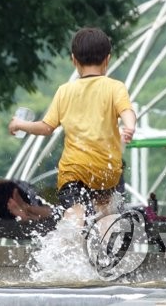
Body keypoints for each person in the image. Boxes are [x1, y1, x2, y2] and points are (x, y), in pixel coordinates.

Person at [9, 26, 136, 224]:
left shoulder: (64, 91)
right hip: (106, 168)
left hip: (73, 169)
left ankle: (67, 248)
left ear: (74, 60)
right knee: (106, 218)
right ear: (108, 59)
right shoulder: (115, 87)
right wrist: (129, 127)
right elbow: (127, 111)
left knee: (74, 215)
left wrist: (20, 124)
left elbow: (46, 127)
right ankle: (105, 251)